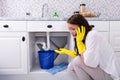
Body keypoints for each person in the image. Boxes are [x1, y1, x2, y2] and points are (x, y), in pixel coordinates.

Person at [55, 14, 120, 80]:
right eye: (69, 29)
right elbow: (84, 57)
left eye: (73, 29)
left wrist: (79, 43)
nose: (71, 32)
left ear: (82, 28)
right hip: (99, 71)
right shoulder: (84, 37)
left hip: (109, 75)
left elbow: (90, 62)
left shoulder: (92, 35)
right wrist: (68, 52)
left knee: (76, 61)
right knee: (70, 68)